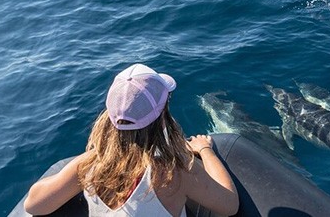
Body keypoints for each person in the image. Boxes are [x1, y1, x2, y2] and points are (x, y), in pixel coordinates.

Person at [24, 64, 239, 216]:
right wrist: (205, 150)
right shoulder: (174, 171)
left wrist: (94, 156)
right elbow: (230, 205)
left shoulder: (88, 166)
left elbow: (34, 205)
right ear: (163, 116)